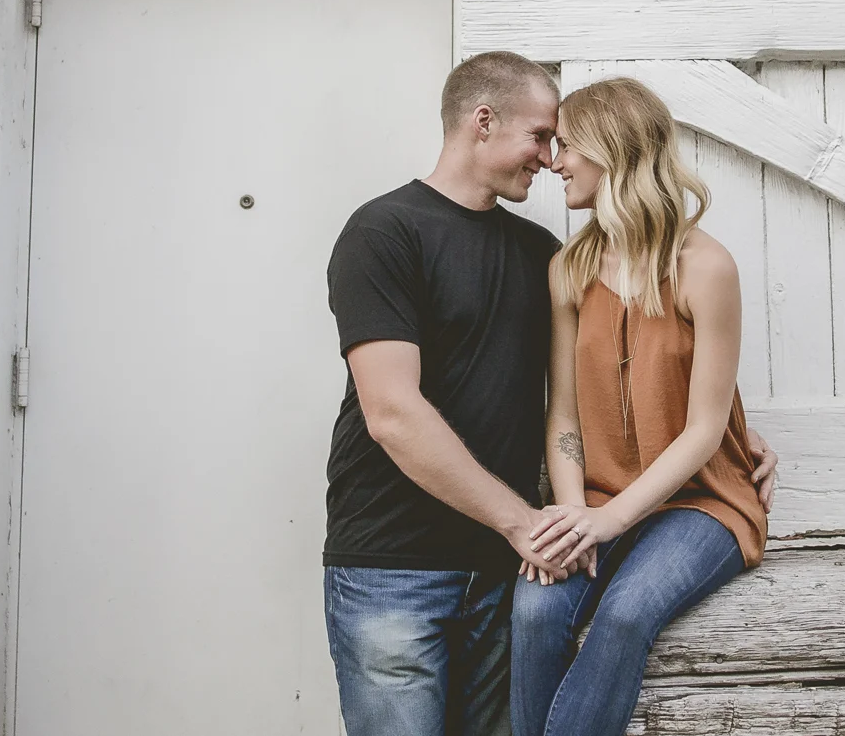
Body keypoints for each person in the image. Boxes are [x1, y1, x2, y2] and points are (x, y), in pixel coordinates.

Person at [322, 52, 776, 736]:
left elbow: (668, 385)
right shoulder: (392, 233)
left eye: (561, 143)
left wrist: (737, 439)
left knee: (603, 623)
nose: (550, 159)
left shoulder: (542, 253)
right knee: (516, 635)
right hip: (398, 563)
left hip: (505, 556)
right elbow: (396, 413)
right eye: (541, 137)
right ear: (483, 121)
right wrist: (554, 518)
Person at [509, 77, 768, 736]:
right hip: (596, 497)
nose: (555, 162)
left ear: (612, 149)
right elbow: (564, 416)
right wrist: (574, 514)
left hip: (702, 503)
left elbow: (705, 429)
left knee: (626, 613)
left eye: (568, 145)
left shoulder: (705, 267)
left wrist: (609, 520)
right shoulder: (569, 268)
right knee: (534, 610)